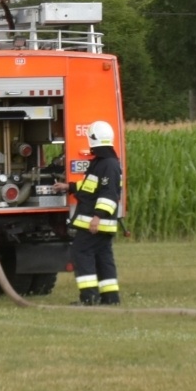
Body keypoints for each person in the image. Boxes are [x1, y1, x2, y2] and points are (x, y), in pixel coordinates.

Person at [66, 120, 123, 306]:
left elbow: (108, 194)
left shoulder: (108, 164)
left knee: (82, 252)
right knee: (103, 256)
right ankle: (110, 297)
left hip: (96, 222)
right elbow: (91, 188)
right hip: (100, 223)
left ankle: (89, 298)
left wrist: (97, 218)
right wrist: (69, 187)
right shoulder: (103, 163)